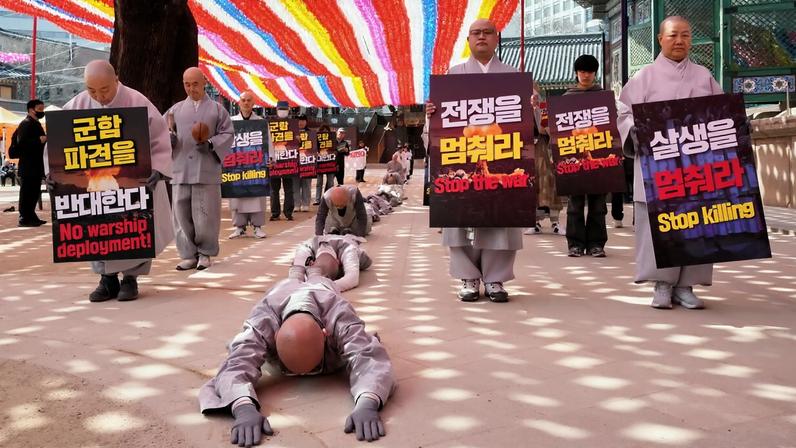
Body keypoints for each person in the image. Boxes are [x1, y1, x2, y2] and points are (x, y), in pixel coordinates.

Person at [198, 267, 395, 445]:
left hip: (322, 289)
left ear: (326, 334)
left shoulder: (339, 315)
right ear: (274, 336)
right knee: (291, 279)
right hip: (281, 291)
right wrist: (243, 407)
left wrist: (368, 401)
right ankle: (296, 272)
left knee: (319, 277)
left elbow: (367, 356)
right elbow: (237, 363)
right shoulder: (263, 320)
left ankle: (315, 271)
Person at [618, 16, 722, 310]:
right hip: (658, 168)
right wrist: (633, 130)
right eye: (673, 35)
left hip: (696, 167)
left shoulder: (704, 76)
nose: (679, 41)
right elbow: (624, 114)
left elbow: (721, 113)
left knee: (695, 222)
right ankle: (662, 284)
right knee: (657, 226)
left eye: (685, 36)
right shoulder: (644, 77)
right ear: (661, 39)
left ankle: (686, 285)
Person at [425, 18, 523, 303]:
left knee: (500, 217)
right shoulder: (453, 76)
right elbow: (440, 127)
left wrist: (530, 108)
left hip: (500, 151)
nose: (481, 37)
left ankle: (495, 279)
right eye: (475, 33)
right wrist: (432, 113)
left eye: (487, 32)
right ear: (468, 40)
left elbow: (526, 127)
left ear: (496, 39)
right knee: (459, 216)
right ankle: (468, 277)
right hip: (463, 153)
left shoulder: (512, 76)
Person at [60, 60, 174, 301]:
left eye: (105, 89)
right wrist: (53, 174)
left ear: (116, 80)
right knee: (97, 228)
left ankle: (130, 279)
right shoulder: (77, 105)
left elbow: (159, 139)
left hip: (129, 182)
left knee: (132, 227)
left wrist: (158, 168)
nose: (99, 96)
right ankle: (106, 279)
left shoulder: (137, 101)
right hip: (94, 185)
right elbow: (59, 145)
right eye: (92, 90)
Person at [167, 67, 234, 271]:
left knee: (206, 214)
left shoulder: (217, 109)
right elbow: (162, 134)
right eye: (187, 84)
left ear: (204, 82)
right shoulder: (175, 110)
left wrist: (211, 144)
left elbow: (228, 133)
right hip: (180, 168)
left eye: (195, 83)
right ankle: (187, 254)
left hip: (206, 168)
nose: (191, 88)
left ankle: (205, 253)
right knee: (181, 213)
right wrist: (168, 138)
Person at [563, 55, 609, 258]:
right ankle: (575, 243)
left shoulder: (604, 96)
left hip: (598, 153)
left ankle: (596, 243)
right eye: (582, 71)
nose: (585, 75)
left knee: (598, 204)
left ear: (595, 73)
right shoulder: (567, 98)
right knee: (575, 203)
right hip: (575, 156)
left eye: (589, 71)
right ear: (576, 73)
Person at [229, 91, 267, 239]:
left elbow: (267, 143)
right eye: (243, 100)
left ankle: (257, 227)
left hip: (256, 164)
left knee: (257, 194)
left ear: (253, 103)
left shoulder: (260, 122)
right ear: (239, 103)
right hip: (237, 165)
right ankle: (239, 227)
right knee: (237, 195)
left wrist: (269, 159)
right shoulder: (231, 122)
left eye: (248, 100)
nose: (245, 103)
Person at [293, 234, 372, 292]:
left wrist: (324, 287)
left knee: (363, 260)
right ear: (311, 263)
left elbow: (352, 279)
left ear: (340, 262)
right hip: (325, 237)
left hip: (347, 241)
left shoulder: (349, 250)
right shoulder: (305, 247)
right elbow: (295, 277)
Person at [15, 99, 47, 227]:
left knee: (34, 192)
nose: (42, 111)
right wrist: (39, 140)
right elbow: (21, 143)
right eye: (39, 108)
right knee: (27, 192)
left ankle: (31, 216)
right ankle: (24, 218)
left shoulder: (35, 123)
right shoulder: (26, 123)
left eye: (42, 109)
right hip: (28, 165)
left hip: (35, 165)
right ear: (31, 109)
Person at [269, 100, 295, 221]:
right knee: (274, 190)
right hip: (274, 161)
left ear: (288, 110)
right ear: (276, 109)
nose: (282, 111)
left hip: (288, 161)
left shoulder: (292, 124)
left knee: (288, 189)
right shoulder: (270, 124)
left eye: (285, 109)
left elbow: (297, 144)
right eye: (281, 109)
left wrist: (298, 140)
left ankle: (288, 212)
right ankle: (275, 213)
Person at [294, 113, 312, 212]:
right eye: (299, 120)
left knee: (306, 184)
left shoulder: (311, 133)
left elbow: (314, 147)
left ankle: (306, 204)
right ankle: (296, 204)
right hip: (294, 163)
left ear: (306, 122)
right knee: (295, 184)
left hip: (307, 162)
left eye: (303, 120)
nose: (301, 122)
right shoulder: (292, 132)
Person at [313, 124, 336, 205]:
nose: (324, 133)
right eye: (323, 131)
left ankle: (329, 199)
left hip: (330, 163)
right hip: (320, 163)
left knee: (330, 183)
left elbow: (336, 149)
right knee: (319, 182)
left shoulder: (332, 139)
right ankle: (317, 199)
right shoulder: (316, 139)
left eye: (326, 131)